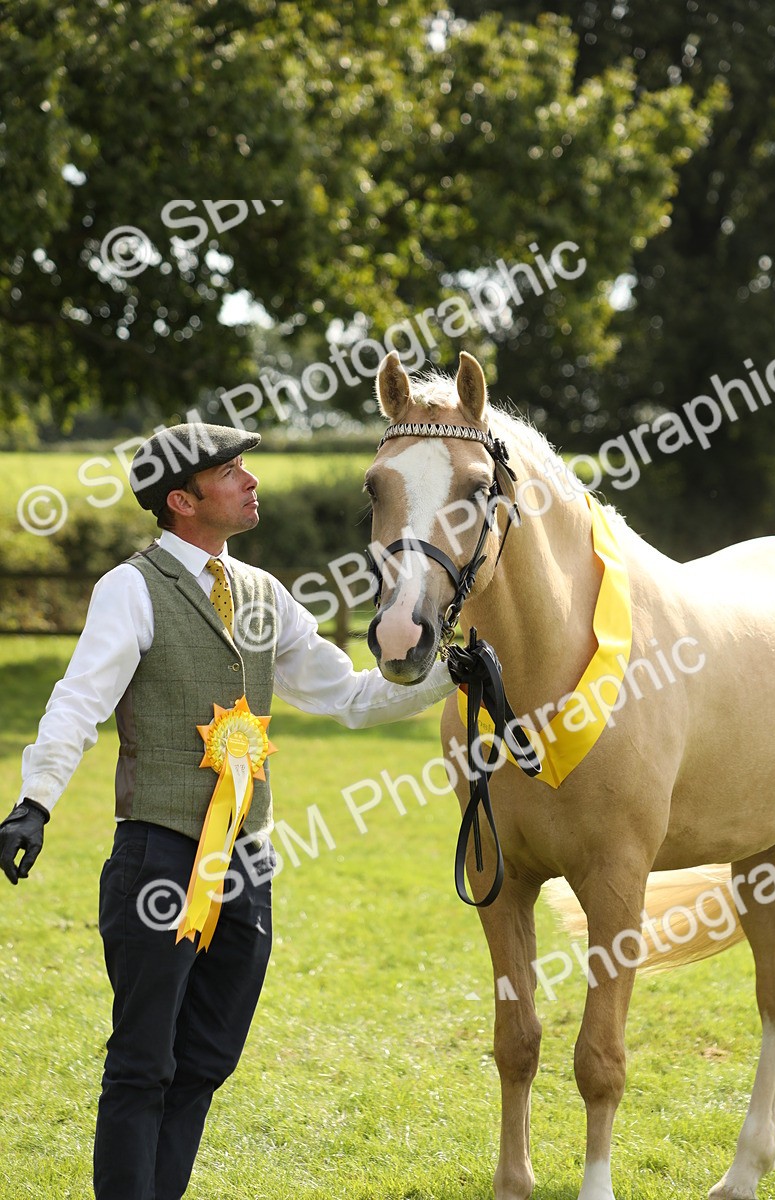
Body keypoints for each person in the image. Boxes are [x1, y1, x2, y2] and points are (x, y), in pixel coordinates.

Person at [0, 422, 456, 1200]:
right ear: (182, 500)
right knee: (145, 1062)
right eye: (229, 470)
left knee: (208, 1058)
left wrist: (449, 674)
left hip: (249, 864)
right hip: (161, 856)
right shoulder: (131, 589)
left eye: (245, 465)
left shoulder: (263, 593)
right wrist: (33, 803)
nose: (250, 479)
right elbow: (78, 701)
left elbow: (346, 694)